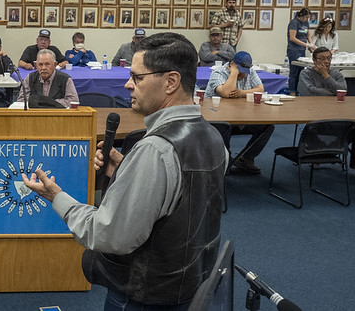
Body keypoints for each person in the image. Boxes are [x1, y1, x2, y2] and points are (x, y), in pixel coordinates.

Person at [22, 33, 227, 310]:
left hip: (144, 297)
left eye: (137, 77)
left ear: (171, 82)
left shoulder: (155, 151)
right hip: (190, 287)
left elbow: (108, 235)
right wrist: (127, 168)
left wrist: (56, 196)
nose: (128, 85)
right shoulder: (214, 137)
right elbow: (184, 202)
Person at [205, 51, 274, 174]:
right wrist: (234, 73)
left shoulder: (249, 72)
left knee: (266, 126)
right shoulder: (218, 72)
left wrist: (241, 93)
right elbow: (226, 93)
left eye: (245, 71)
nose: (243, 74)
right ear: (232, 64)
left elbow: (260, 89)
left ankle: (245, 158)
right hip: (219, 119)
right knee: (223, 126)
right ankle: (224, 161)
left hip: (241, 116)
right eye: (240, 70)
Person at [286, 8, 314, 94]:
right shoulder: (294, 23)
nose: (306, 19)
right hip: (294, 50)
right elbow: (292, 38)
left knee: (301, 71)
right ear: (301, 16)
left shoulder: (306, 23)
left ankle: (299, 91)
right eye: (305, 17)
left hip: (302, 50)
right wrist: (305, 44)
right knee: (294, 71)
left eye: (308, 18)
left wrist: (311, 44)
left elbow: (308, 34)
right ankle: (292, 91)